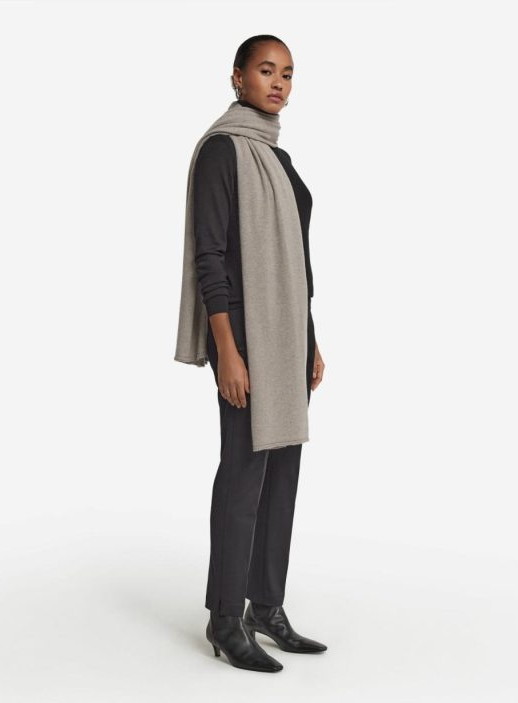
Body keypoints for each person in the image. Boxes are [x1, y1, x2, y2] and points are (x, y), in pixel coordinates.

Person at [176, 35, 327, 672]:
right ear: (237, 77)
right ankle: (223, 618)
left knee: (283, 471)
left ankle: (266, 607)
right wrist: (227, 352)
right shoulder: (222, 150)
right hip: (243, 333)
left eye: (288, 73)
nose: (279, 83)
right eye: (266, 70)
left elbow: (299, 264)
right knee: (243, 472)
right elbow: (210, 256)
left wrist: (310, 336)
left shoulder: (277, 157)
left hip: (287, 331)